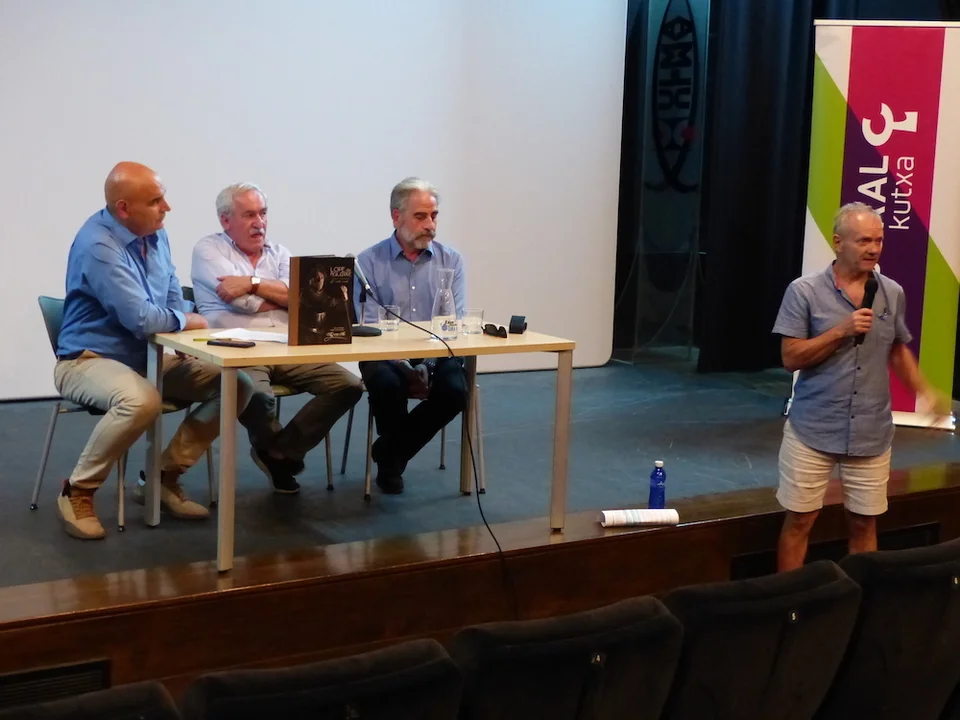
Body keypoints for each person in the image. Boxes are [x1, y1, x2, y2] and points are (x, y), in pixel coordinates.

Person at [55, 162, 254, 540]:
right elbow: (141, 319)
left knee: (237, 384)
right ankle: (77, 491)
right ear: (124, 209)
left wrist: (181, 337)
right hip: (88, 359)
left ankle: (162, 478)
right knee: (142, 400)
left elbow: (171, 292)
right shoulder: (99, 245)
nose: (167, 207)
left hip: (150, 356)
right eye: (155, 201)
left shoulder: (154, 233)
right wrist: (187, 321)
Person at [773, 201, 950, 571]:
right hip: (813, 428)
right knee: (800, 520)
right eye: (864, 241)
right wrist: (840, 331)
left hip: (871, 431)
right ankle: (788, 600)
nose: (874, 249)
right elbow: (790, 357)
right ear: (838, 242)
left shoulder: (892, 292)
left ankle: (862, 599)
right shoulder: (804, 291)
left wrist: (925, 391)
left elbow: (897, 350)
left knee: (864, 523)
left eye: (879, 241)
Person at [191, 183, 362, 494]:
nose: (259, 223)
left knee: (348, 385)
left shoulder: (280, 253)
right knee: (257, 395)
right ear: (225, 220)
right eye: (249, 215)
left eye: (263, 213)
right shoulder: (208, 250)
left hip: (286, 344)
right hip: (236, 349)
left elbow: (301, 296)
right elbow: (242, 302)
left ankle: (279, 451)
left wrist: (252, 282)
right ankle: (276, 454)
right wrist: (286, 297)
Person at [354, 177, 468, 494]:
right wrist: (405, 367)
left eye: (433, 216)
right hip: (384, 354)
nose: (430, 225)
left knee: (456, 391)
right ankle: (391, 466)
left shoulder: (451, 261)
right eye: (420, 216)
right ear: (396, 217)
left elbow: (454, 322)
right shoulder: (367, 262)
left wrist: (427, 365)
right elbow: (368, 327)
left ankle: (390, 452)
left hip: (437, 351)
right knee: (388, 385)